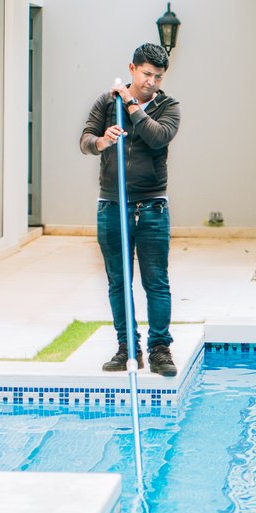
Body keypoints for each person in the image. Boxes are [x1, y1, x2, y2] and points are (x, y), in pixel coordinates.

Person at [80, 43, 181, 375]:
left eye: (158, 76)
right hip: (112, 205)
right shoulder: (107, 103)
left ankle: (160, 351)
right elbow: (85, 141)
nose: (152, 81)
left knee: (156, 282)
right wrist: (102, 141)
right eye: (147, 74)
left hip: (153, 208)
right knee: (118, 281)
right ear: (133, 68)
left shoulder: (168, 106)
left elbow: (156, 138)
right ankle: (126, 348)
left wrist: (132, 103)